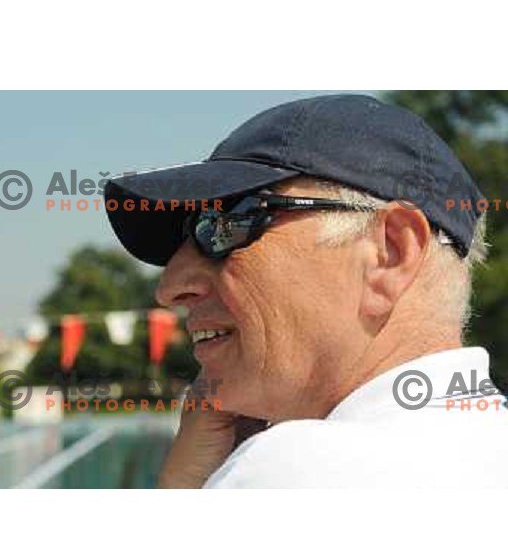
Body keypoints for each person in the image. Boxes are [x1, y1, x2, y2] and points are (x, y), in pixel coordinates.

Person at [105, 94, 508, 488]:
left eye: (229, 222)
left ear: (389, 254)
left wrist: (184, 485)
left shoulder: (298, 464)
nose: (170, 287)